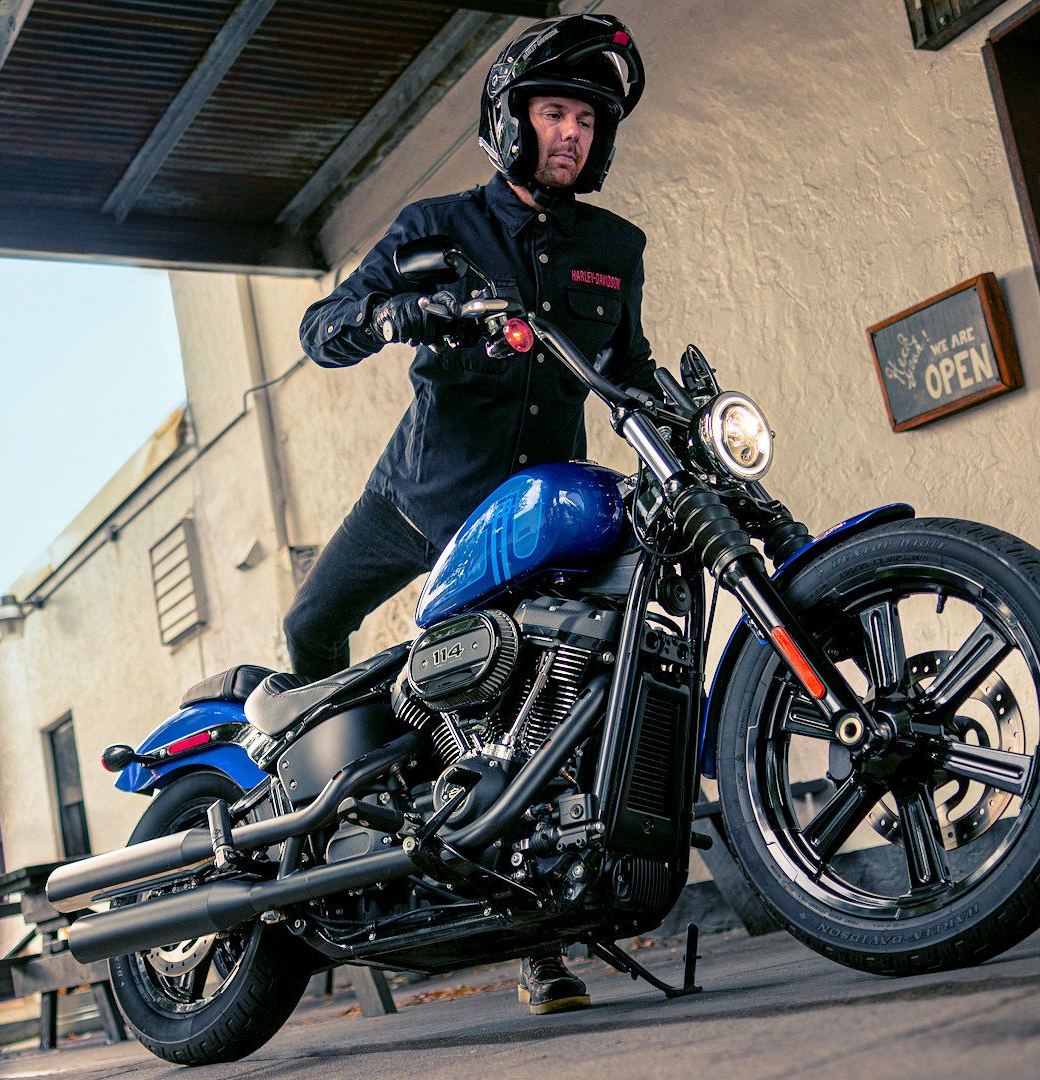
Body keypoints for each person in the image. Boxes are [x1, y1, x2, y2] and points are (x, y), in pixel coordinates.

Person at [291, 12, 655, 1016]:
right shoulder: (436, 227)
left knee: (539, 721)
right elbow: (323, 328)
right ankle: (327, 829)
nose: (572, 132)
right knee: (308, 626)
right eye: (554, 111)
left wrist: (680, 422)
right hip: (418, 499)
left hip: (530, 523)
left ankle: (538, 942)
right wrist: (384, 315)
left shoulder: (614, 248)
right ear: (512, 122)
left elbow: (632, 372)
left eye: (587, 116)